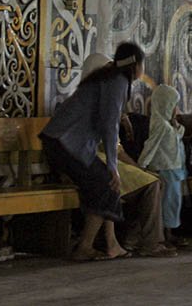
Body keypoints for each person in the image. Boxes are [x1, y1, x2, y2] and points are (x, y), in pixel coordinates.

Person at [39, 42, 143, 262]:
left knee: (102, 183)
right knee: (108, 183)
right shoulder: (117, 81)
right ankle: (86, 247)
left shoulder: (108, 76)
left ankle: (109, 244)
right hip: (65, 142)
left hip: (59, 141)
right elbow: (109, 125)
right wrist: (113, 167)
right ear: (135, 65)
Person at [139, 84, 188, 248]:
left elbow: (175, 137)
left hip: (175, 170)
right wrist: (141, 166)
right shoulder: (160, 124)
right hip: (165, 170)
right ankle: (165, 235)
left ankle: (170, 233)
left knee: (174, 203)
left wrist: (176, 125)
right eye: (174, 105)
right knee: (166, 204)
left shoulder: (167, 124)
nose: (176, 109)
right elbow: (150, 146)